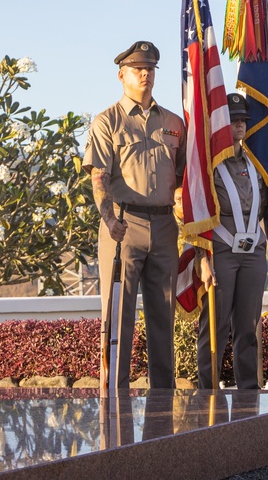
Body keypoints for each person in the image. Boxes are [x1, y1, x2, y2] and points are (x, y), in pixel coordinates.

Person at [84, 41, 185, 389]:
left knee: (163, 318)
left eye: (151, 68)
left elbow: (187, 179)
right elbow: (99, 177)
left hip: (165, 226)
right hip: (124, 225)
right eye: (138, 68)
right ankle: (114, 401)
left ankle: (163, 402)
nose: (145, 73)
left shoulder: (174, 122)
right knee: (118, 320)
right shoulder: (107, 121)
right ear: (121, 74)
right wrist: (109, 219)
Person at [197, 93, 268, 389]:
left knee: (248, 327)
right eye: (233, 119)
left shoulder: (255, 164)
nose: (239, 125)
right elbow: (194, 212)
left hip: (253, 254)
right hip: (221, 251)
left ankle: (249, 390)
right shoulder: (209, 164)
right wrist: (202, 259)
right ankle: (208, 391)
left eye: (242, 120)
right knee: (216, 326)